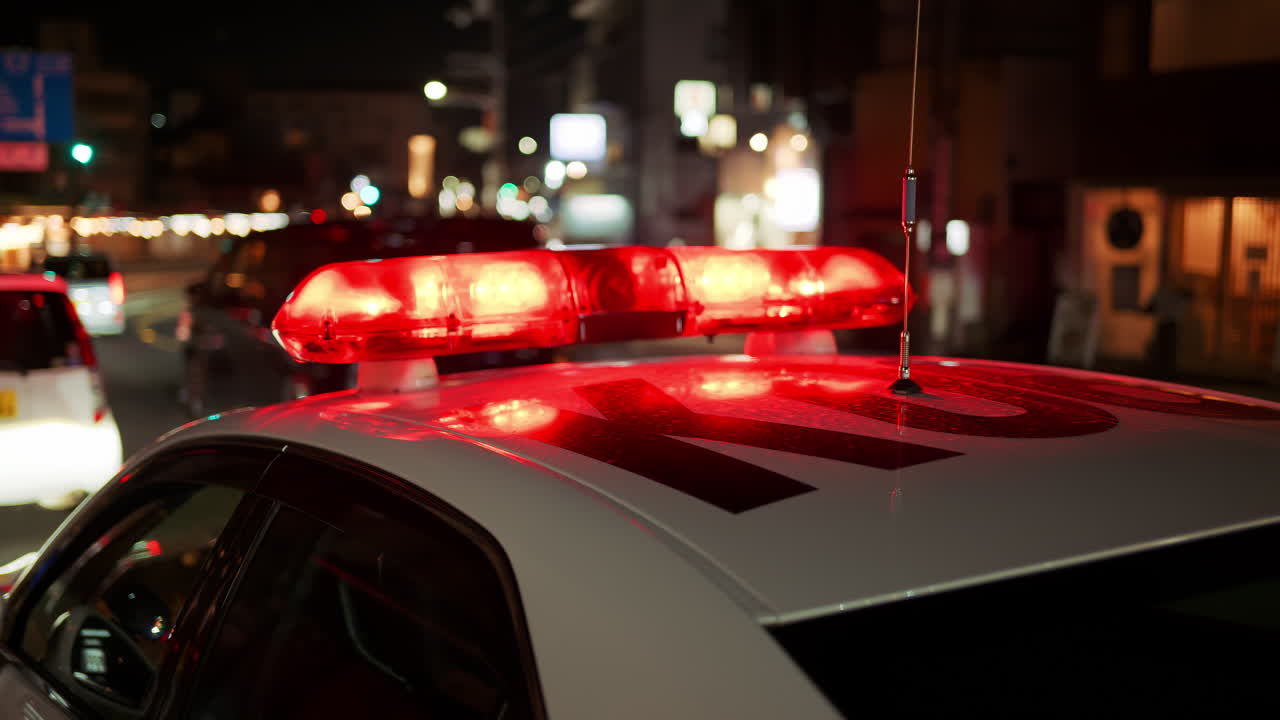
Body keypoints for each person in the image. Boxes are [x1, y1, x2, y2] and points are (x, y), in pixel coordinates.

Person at [1145, 280, 1190, 378]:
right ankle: (1166, 373)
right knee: (1168, 350)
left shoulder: (1163, 292)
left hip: (1166, 324)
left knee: (1164, 350)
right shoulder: (1178, 294)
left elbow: (1150, 307)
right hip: (1170, 325)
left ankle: (1163, 372)